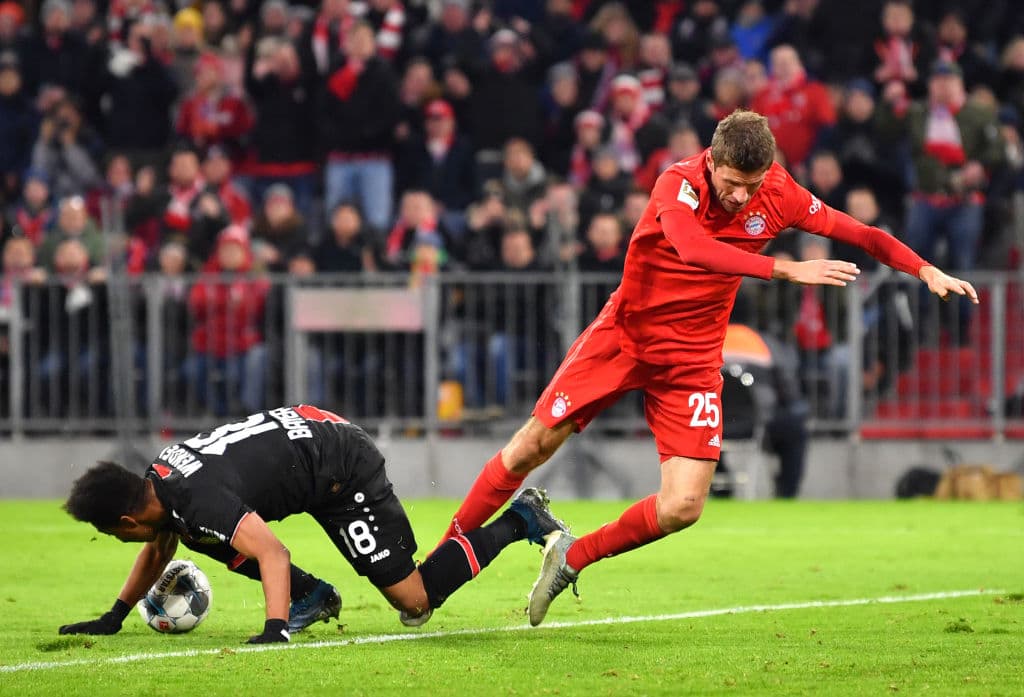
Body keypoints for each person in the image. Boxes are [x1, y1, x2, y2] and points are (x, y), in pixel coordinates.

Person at [434, 109, 978, 627]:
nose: (741, 196)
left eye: (752, 184)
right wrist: (785, 269)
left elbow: (863, 234)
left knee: (684, 506)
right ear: (712, 161)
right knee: (530, 447)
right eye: (733, 182)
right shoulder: (677, 183)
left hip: (692, 359)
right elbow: (693, 248)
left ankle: (572, 556)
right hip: (626, 337)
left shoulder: (779, 192)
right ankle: (439, 561)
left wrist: (924, 269)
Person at [58, 404, 568, 643]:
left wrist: (274, 630)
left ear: (126, 519)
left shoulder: (195, 499)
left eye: (114, 533)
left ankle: (520, 518)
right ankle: (314, 596)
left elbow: (272, 552)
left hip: (342, 468)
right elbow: (159, 546)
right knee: (199, 533)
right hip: (310, 443)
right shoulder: (160, 479)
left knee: (414, 602)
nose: (121, 540)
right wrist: (114, 616)